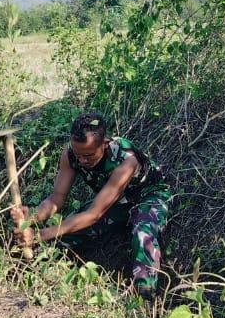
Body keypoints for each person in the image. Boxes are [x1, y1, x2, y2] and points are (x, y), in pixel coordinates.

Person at [11, 112, 171, 301]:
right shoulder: (70, 154)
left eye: (88, 155)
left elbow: (94, 214)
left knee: (143, 233)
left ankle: (143, 298)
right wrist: (30, 219)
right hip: (114, 201)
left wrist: (39, 235)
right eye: (78, 155)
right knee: (63, 235)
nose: (82, 160)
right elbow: (56, 198)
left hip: (149, 196)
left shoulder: (126, 159)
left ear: (104, 143)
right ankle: (40, 276)